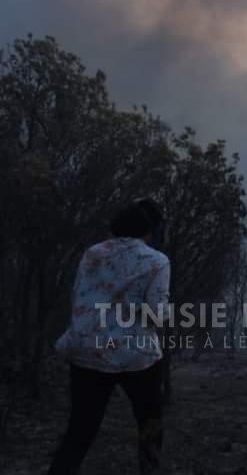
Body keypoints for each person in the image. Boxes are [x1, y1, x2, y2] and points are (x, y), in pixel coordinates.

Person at [48, 198, 171, 475]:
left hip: (86, 349)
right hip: (135, 355)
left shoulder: (92, 253)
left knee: (79, 432)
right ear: (152, 229)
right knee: (150, 427)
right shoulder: (157, 261)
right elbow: (156, 314)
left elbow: (81, 296)